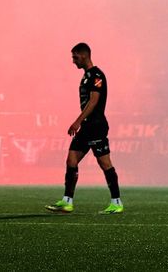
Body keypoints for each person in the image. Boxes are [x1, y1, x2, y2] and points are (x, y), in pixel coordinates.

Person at [46, 42, 124, 214]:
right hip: (87, 126)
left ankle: (116, 202)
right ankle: (67, 201)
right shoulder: (86, 76)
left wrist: (78, 121)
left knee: (105, 163)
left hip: (96, 126)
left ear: (83, 55)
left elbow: (94, 101)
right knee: (71, 159)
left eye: (75, 57)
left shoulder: (97, 75)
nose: (73, 61)